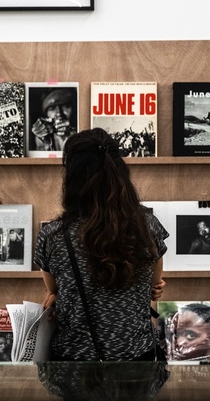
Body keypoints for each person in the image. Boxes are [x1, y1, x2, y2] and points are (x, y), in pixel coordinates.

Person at [35, 128, 168, 361]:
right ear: (120, 171)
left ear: (72, 177)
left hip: (74, 364)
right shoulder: (148, 226)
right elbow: (154, 288)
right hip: (136, 362)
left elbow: (53, 292)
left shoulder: (53, 236)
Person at [30, 88, 76, 152]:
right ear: (46, 115)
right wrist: (46, 144)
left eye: (65, 106)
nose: (59, 113)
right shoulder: (42, 135)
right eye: (52, 108)